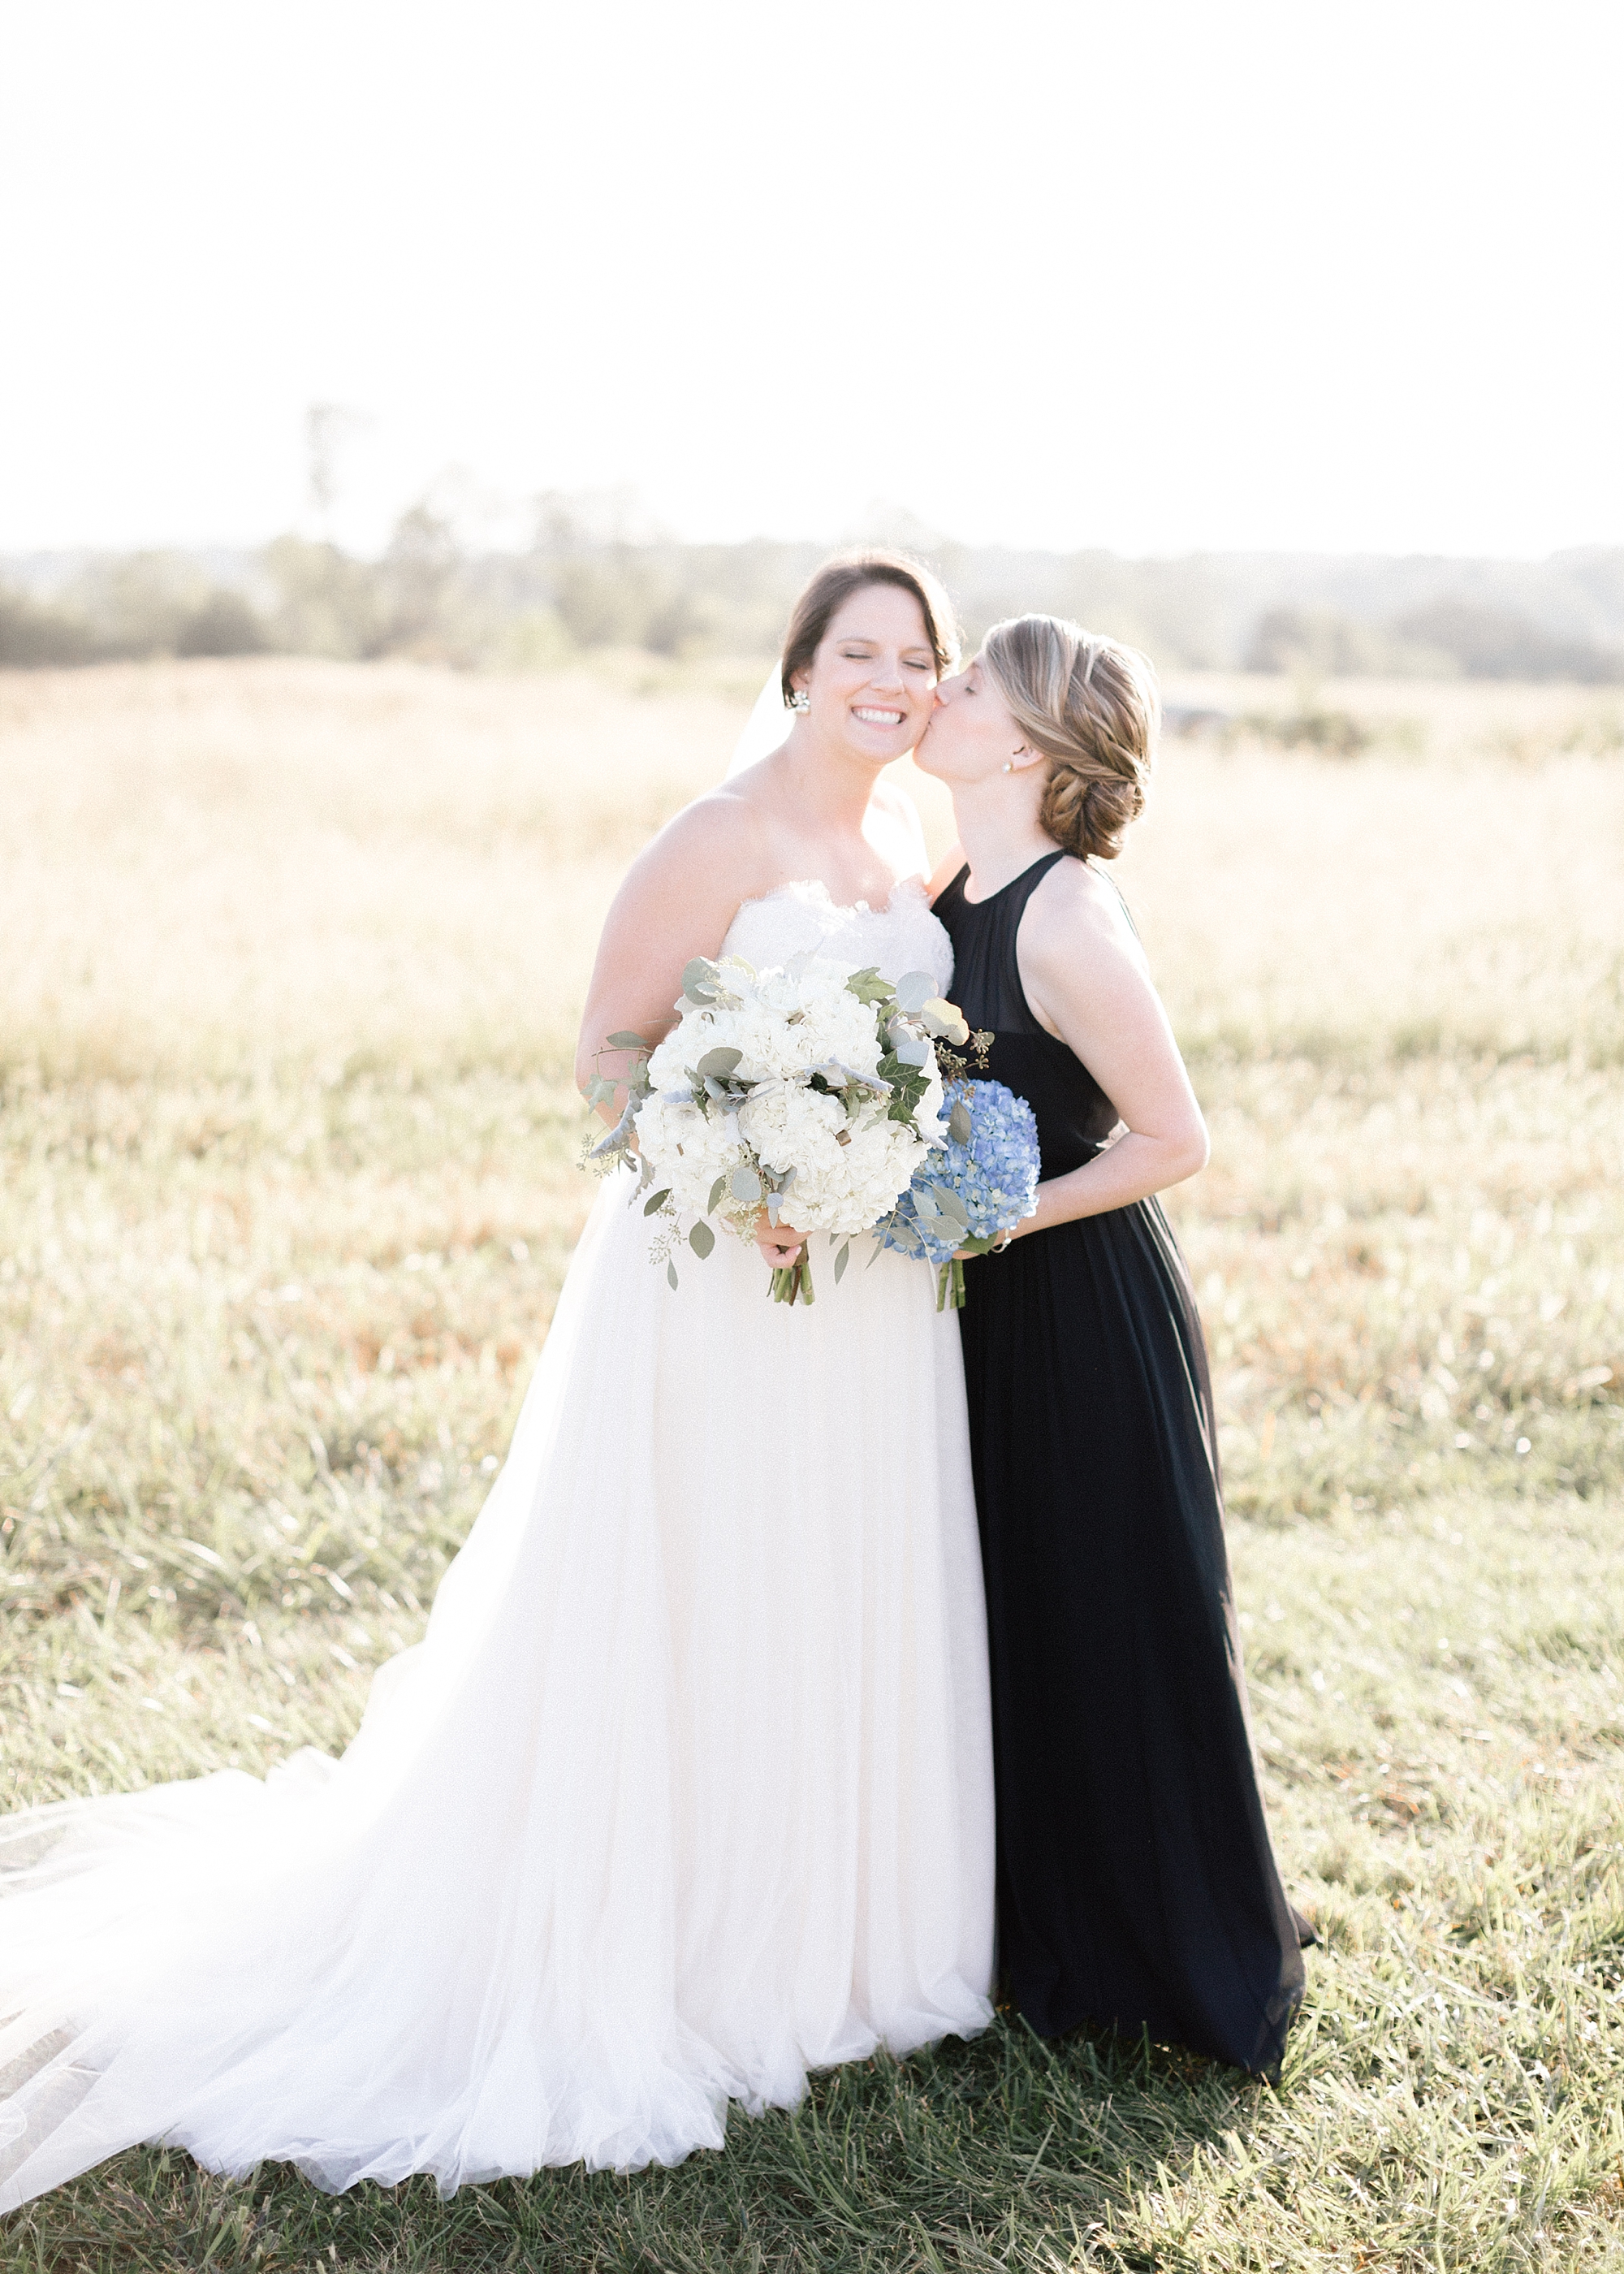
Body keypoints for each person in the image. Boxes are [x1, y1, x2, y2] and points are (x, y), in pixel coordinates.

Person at [0, 552, 994, 2209]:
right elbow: (609, 1056)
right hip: (714, 1283)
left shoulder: (917, 841)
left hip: (869, 1299)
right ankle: (677, 1937)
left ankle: (832, 1946)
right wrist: (740, 1164)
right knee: (707, 1586)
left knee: (836, 1584)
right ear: (802, 667)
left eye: (916, 656)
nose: (889, 679)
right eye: (858, 652)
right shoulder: (718, 833)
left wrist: (870, 1167)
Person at [916, 614, 1307, 2077]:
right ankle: (1042, 1931)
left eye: (962, 685)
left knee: (1108, 1616)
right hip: (986, 1307)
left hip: (1081, 1313)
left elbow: (1174, 1140)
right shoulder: (952, 883)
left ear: (1021, 744)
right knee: (1013, 1612)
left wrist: (1006, 1217)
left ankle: (1163, 1949)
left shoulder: (1066, 918)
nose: (933, 694)